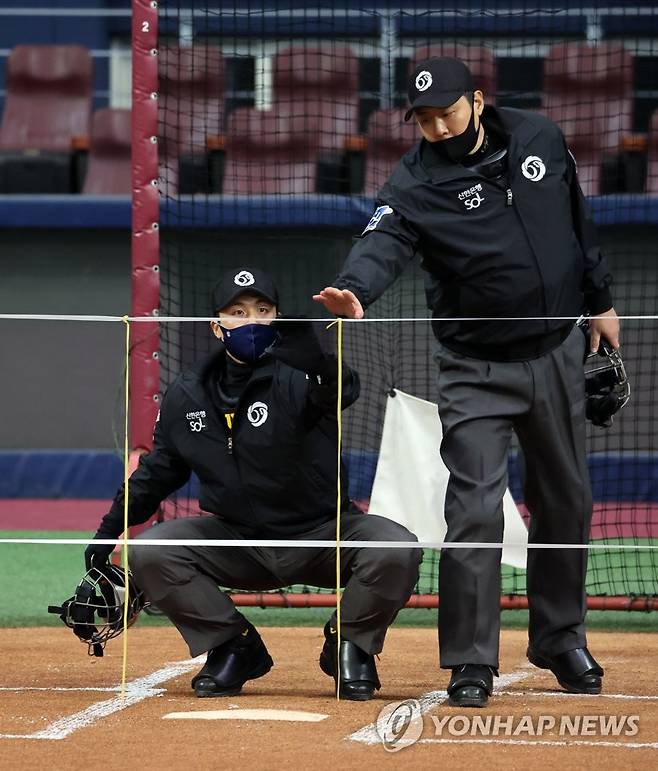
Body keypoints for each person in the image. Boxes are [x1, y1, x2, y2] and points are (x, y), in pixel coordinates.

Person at [314, 57, 620, 707]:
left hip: (557, 352)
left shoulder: (540, 137)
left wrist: (600, 300)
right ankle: (470, 659)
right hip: (475, 368)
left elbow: (578, 221)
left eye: (445, 113)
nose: (435, 128)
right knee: (473, 512)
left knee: (567, 500)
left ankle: (558, 636)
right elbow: (383, 240)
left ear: (478, 102)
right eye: (422, 119)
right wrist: (355, 289)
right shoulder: (416, 179)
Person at [85, 267, 421, 701]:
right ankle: (234, 646)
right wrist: (105, 535)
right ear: (216, 326)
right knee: (152, 549)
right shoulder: (188, 393)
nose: (252, 320)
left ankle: (348, 642)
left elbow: (343, 391)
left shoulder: (300, 373)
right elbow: (156, 475)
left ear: (277, 318)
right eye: (238, 312)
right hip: (238, 539)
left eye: (263, 310)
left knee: (397, 546)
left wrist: (320, 365)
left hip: (325, 533)